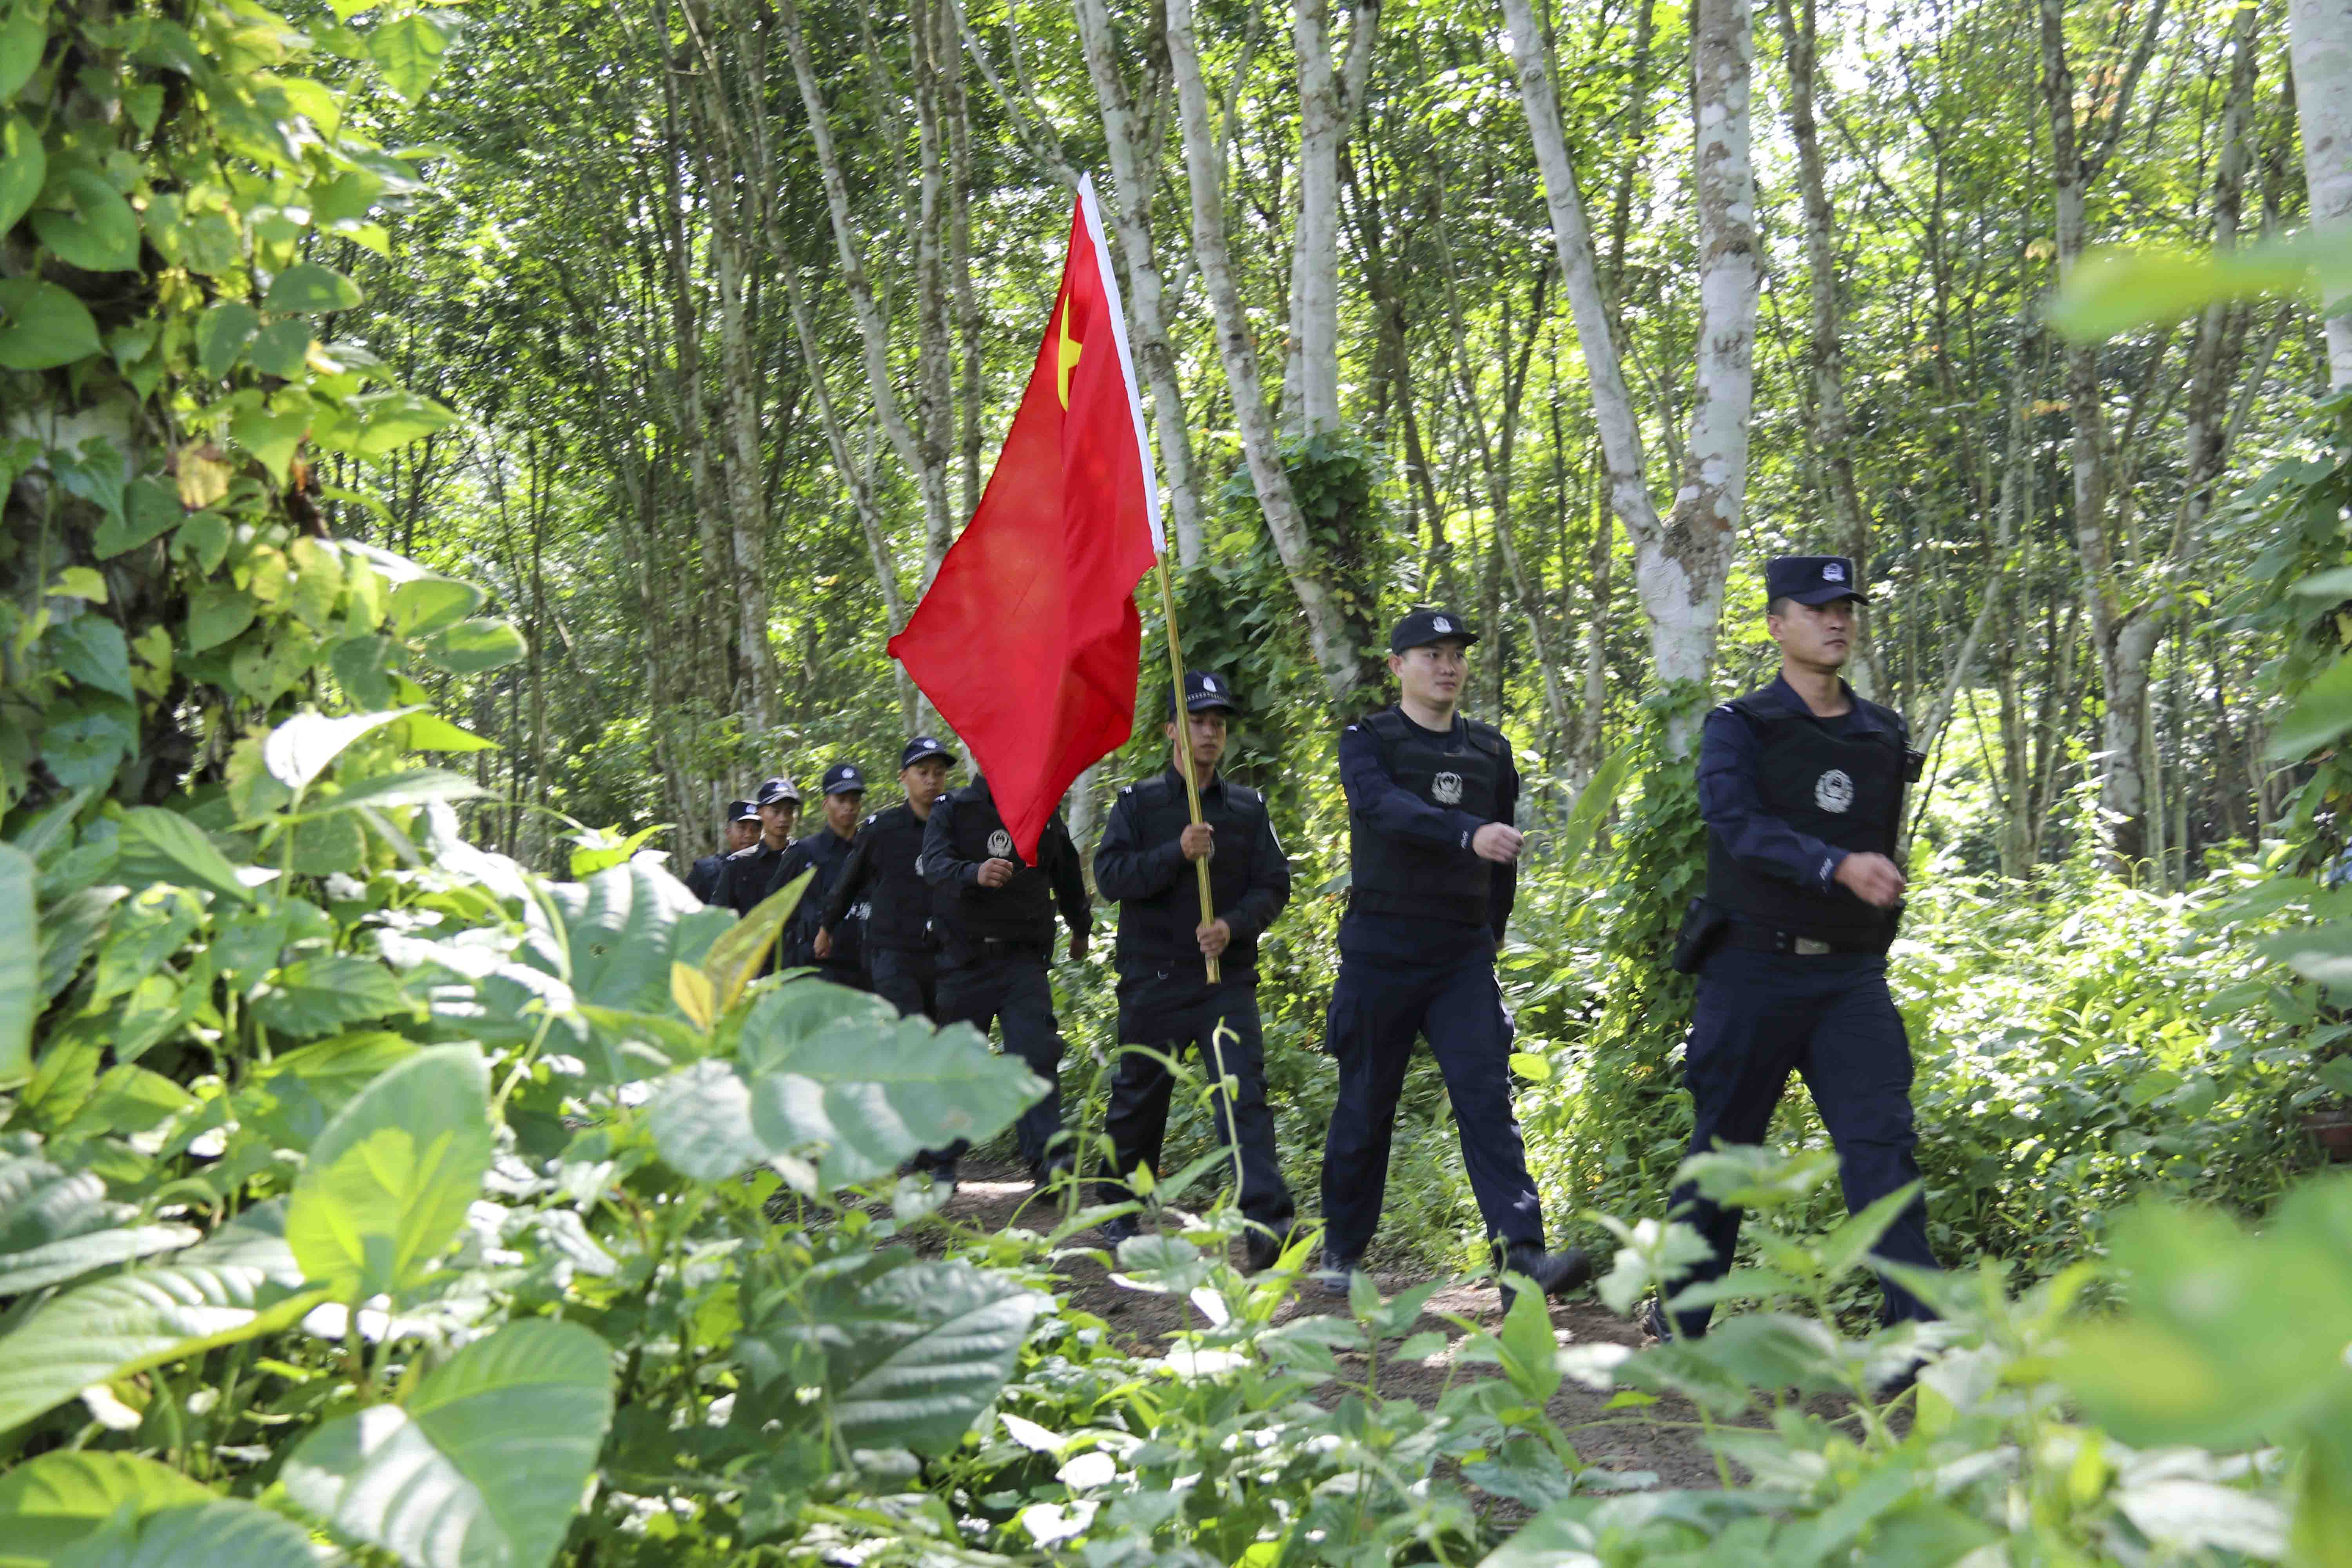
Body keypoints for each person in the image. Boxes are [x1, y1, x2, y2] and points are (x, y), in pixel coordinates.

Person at [1651, 555, 1939, 1346]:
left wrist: (1870, 885)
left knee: (1881, 1142)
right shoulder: (1739, 726)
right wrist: (1836, 865)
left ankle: (1917, 1329)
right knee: (1724, 1150)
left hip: (1849, 977)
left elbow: (1877, 838)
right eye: (1816, 608)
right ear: (1778, 624)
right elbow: (1735, 823)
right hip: (1752, 969)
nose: (1836, 619)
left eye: (1845, 605)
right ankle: (1682, 1320)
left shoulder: (1883, 732)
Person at [1319, 608, 1592, 1312]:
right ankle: (1343, 1251)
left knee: (1487, 1099)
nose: (1448, 666)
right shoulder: (1368, 742)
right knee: (1366, 1103)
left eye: (1457, 655)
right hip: (1382, 949)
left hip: (1461, 954)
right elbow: (1383, 810)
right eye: (1430, 653)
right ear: (1397, 666)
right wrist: (1465, 832)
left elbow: (1504, 853)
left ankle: (1522, 1258)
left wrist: (1493, 930)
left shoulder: (1490, 753)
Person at [1092, 672, 1298, 1270]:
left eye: (1217, 723)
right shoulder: (1138, 805)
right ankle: (1120, 1205)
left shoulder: (1246, 808)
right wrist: (1174, 853)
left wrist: (1232, 925)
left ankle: (1265, 1225)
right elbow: (1110, 878)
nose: (1208, 732)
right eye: (1197, 720)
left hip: (1224, 981)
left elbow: (1274, 885)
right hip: (1153, 978)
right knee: (1140, 1094)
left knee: (1243, 1095)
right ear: (1172, 731)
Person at [919, 772, 1091, 1186]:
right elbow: (935, 865)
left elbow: (1066, 872)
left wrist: (1080, 926)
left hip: (1023, 962)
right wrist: (973, 873)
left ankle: (1049, 1161)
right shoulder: (952, 809)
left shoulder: (1042, 814)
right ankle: (943, 1163)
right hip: (965, 960)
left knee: (1036, 1055)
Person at [817, 737, 956, 1018]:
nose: (932, 780)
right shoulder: (882, 830)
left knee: (943, 1041)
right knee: (911, 1036)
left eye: (938, 773)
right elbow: (849, 882)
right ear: (904, 777)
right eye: (923, 772)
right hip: (894, 955)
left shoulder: (958, 826)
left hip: (946, 954)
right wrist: (827, 928)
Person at [763, 763, 867, 987]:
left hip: (866, 964)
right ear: (825, 804)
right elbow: (774, 907)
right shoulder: (804, 852)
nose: (849, 807)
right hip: (818, 967)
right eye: (841, 800)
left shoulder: (871, 848)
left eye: (855, 800)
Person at [714, 776, 800, 917]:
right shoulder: (738, 864)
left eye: (789, 812)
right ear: (761, 813)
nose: (783, 818)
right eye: (776, 811)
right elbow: (718, 919)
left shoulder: (805, 857)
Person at [686, 799, 757, 903]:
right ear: (728, 833)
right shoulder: (706, 872)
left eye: (755, 830)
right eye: (742, 828)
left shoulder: (773, 869)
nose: (749, 835)